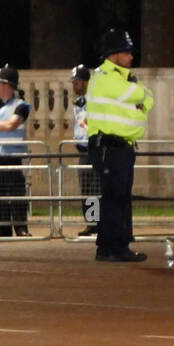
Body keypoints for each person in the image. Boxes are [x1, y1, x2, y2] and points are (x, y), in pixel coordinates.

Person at [86, 28, 153, 262]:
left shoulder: (118, 78)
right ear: (114, 54)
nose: (131, 56)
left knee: (115, 197)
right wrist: (140, 95)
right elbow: (140, 95)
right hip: (110, 147)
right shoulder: (105, 78)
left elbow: (148, 97)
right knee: (116, 197)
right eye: (127, 52)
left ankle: (107, 247)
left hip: (119, 146)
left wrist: (141, 97)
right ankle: (117, 247)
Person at [0, 65, 32, 237]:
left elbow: (12, 125)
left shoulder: (21, 105)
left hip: (13, 155)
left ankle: (20, 227)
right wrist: (0, 126)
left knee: (16, 191)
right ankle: (2, 226)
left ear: (6, 85)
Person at [70, 64, 99, 237]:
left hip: (94, 147)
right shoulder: (79, 101)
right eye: (74, 81)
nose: (75, 85)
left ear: (86, 82)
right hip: (82, 149)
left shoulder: (94, 98)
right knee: (87, 188)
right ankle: (91, 223)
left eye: (77, 81)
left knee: (96, 188)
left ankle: (99, 223)